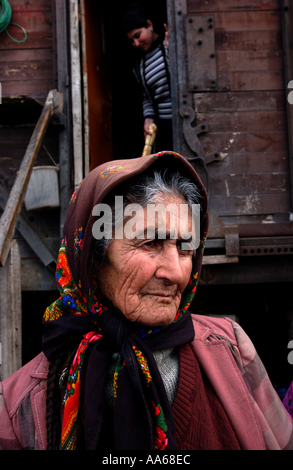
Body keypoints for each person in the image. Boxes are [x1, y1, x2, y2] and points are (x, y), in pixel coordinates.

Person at [0, 150, 293, 450]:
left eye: (184, 247)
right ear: (91, 259)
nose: (176, 273)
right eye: (150, 243)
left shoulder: (231, 349)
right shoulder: (17, 406)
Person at [123, 4, 173, 151]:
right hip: (162, 129)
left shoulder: (167, 44)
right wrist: (148, 118)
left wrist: (172, 51)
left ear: (149, 25)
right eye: (132, 40)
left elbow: (180, 79)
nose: (136, 43)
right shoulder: (139, 66)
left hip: (181, 122)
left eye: (138, 35)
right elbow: (147, 96)